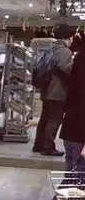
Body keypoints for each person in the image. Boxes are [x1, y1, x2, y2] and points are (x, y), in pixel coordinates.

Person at [31, 35, 85, 200]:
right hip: (80, 134)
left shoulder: (78, 57)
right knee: (77, 194)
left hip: (76, 131)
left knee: (72, 188)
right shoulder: (78, 59)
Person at [33, 24, 75, 156]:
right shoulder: (65, 51)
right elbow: (64, 68)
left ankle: (38, 145)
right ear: (69, 37)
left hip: (46, 89)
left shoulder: (51, 49)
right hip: (57, 91)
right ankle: (48, 147)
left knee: (45, 119)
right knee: (54, 120)